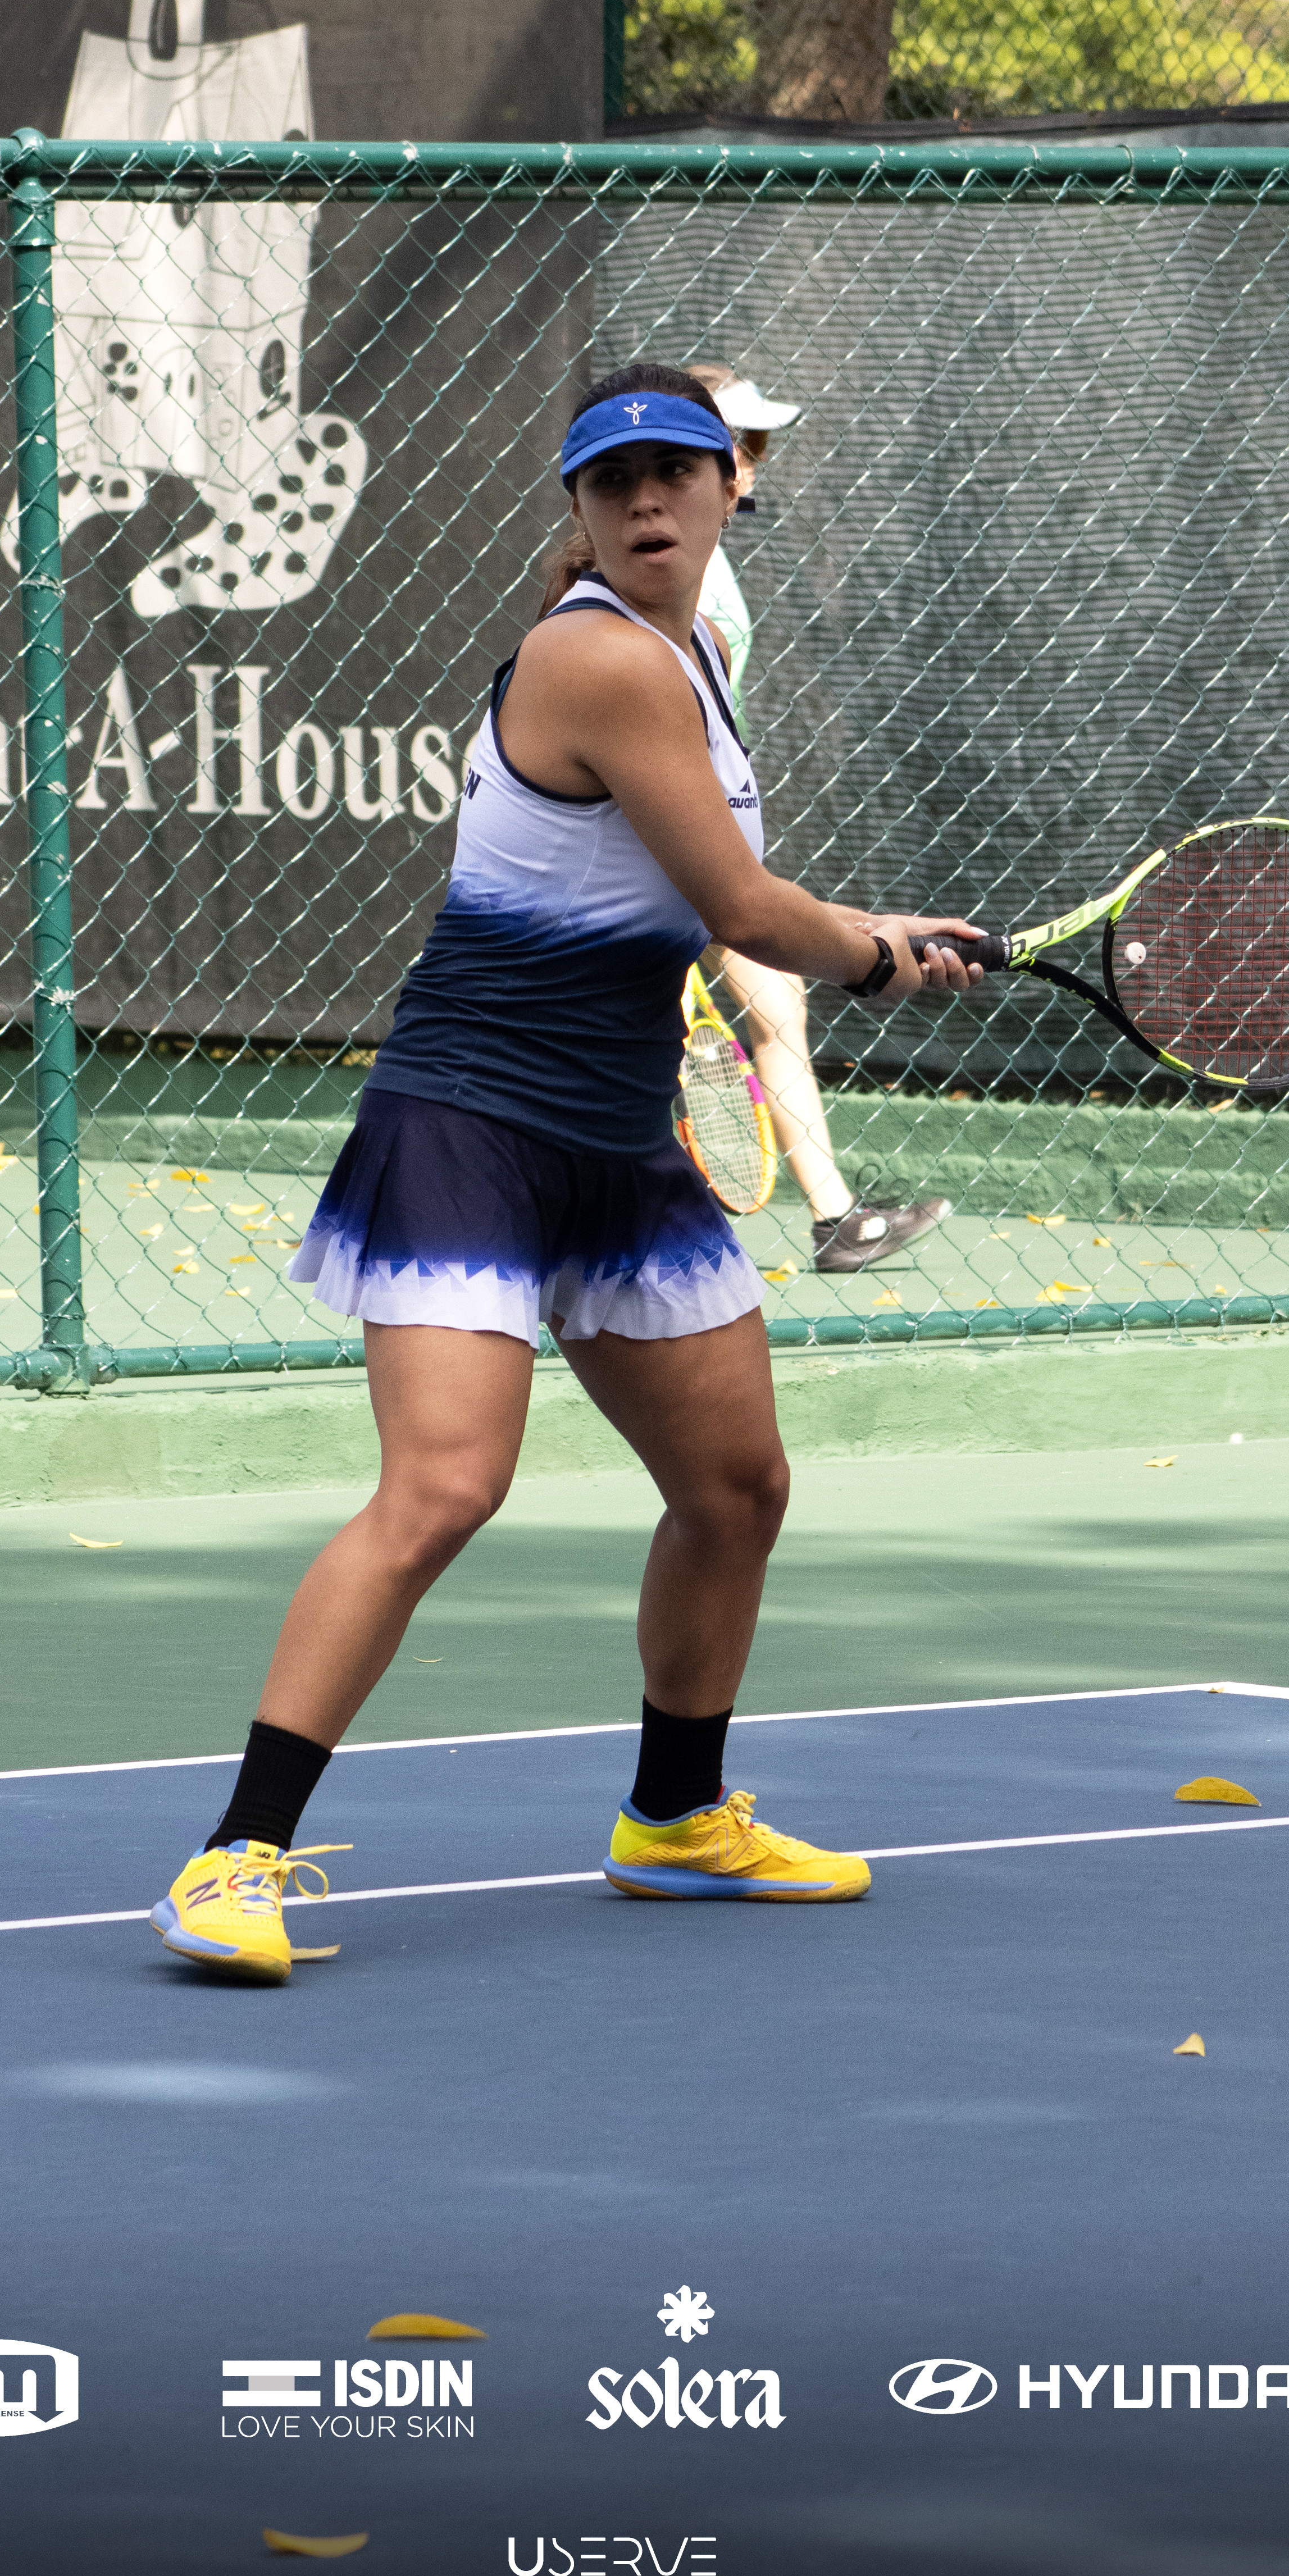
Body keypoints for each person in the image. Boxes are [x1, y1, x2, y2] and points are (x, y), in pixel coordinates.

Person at [153, 362, 982, 1982]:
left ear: (735, 484)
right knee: (446, 1486)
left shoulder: (697, 656)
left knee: (737, 1489)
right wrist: (878, 952)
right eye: (616, 485)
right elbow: (744, 911)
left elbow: (717, 892)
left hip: (617, 1134)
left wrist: (865, 937)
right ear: (582, 514)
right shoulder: (596, 655)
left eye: (679, 472)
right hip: (469, 1123)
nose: (651, 501)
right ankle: (232, 1857)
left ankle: (677, 1820)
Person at [686, 364, 951, 1278]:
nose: (753, 463)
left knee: (779, 1006)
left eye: (758, 446)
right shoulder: (685, 587)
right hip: (680, 845)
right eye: (736, 442)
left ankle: (838, 1218)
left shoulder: (705, 561)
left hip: (710, 836)